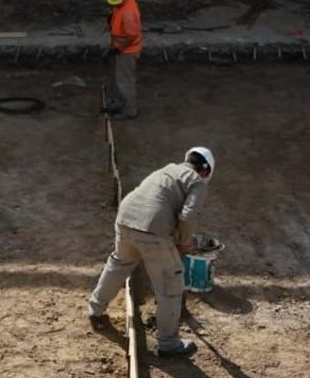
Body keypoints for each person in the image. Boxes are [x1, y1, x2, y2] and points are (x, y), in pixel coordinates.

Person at [87, 146, 215, 357]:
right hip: (152, 228)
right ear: (205, 170)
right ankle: (168, 345)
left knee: (119, 264)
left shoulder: (167, 170)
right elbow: (188, 215)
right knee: (170, 284)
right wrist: (184, 241)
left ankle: (95, 309)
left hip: (126, 217)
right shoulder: (197, 182)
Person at [103, 0, 141, 120]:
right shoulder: (124, 2)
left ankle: (129, 110)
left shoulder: (128, 13)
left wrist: (119, 48)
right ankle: (118, 102)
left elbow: (131, 35)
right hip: (120, 46)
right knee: (116, 77)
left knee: (124, 81)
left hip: (127, 51)